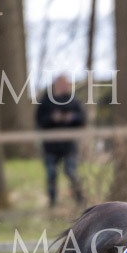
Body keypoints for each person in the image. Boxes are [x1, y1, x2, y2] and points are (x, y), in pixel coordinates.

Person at [35, 74, 86, 207]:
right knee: (51, 174)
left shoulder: (73, 101)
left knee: (71, 172)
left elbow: (81, 120)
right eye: (62, 83)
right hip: (50, 146)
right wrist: (52, 118)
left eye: (66, 84)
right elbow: (39, 121)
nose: (65, 86)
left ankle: (80, 200)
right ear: (55, 85)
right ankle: (52, 202)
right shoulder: (45, 101)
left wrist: (71, 118)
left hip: (68, 145)